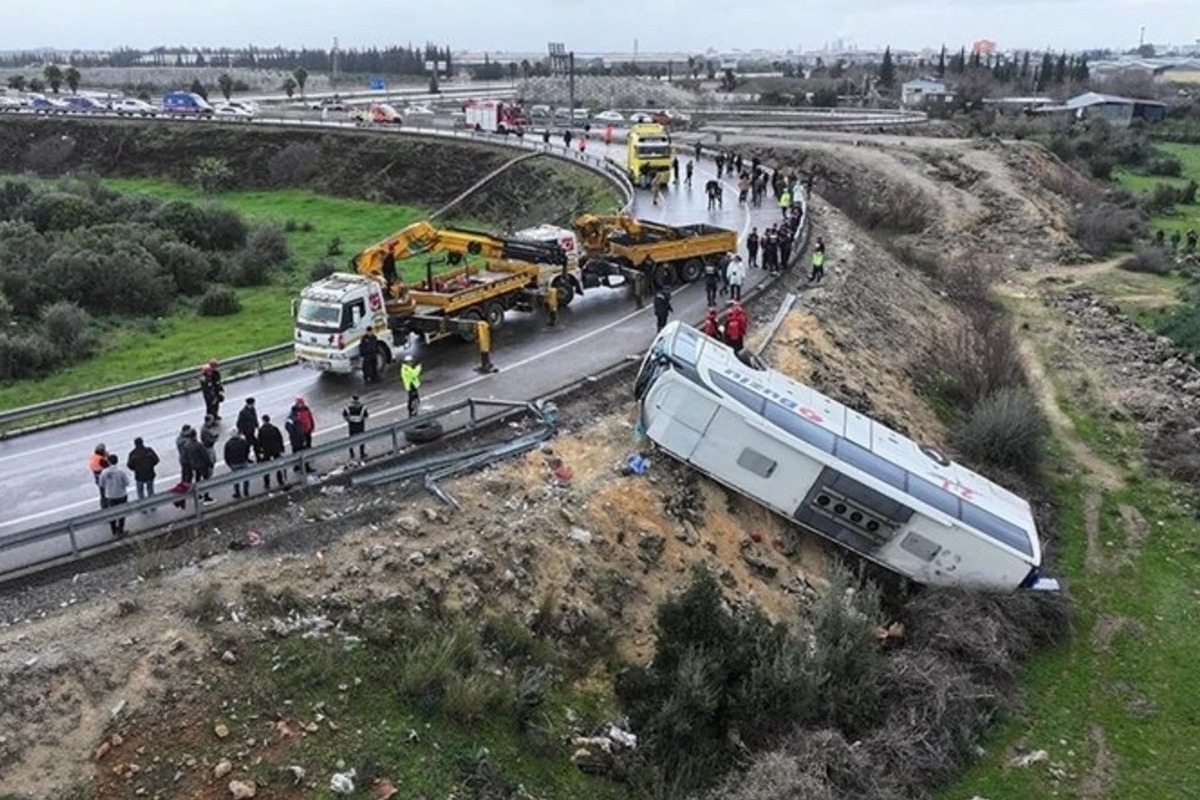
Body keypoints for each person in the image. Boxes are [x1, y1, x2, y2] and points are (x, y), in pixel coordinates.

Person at [99, 453, 130, 537]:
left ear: (108, 462)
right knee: (122, 513)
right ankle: (121, 530)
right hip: (121, 495)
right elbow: (127, 483)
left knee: (112, 514)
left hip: (110, 496)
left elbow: (101, 484)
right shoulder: (121, 471)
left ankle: (114, 531)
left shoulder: (104, 472)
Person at [183, 429, 215, 505]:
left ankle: (199, 495)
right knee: (206, 481)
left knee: (197, 481)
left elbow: (185, 457)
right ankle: (206, 497)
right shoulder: (199, 445)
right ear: (195, 435)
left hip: (194, 466)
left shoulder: (187, 446)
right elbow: (205, 456)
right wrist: (210, 464)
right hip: (203, 465)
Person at [257, 414, 287, 491]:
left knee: (266, 468)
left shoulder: (261, 430)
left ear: (263, 421)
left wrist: (260, 451)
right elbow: (280, 439)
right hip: (275, 449)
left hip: (266, 451)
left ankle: (267, 483)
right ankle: (280, 481)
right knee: (278, 466)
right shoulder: (274, 428)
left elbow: (259, 442)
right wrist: (281, 448)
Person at [126, 437, 160, 502]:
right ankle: (152, 504)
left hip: (139, 476)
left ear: (135, 444)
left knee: (140, 492)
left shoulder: (132, 454)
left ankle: (143, 507)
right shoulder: (149, 450)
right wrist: (151, 465)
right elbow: (156, 460)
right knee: (150, 490)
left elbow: (129, 465)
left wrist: (136, 468)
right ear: (142, 442)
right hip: (150, 473)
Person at [342, 395, 369, 460]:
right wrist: (361, 419)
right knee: (362, 439)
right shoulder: (363, 407)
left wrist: (349, 420)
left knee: (351, 439)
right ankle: (362, 453)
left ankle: (351, 453)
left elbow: (344, 415)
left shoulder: (347, 408)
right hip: (360, 425)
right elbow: (366, 416)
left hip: (351, 425)